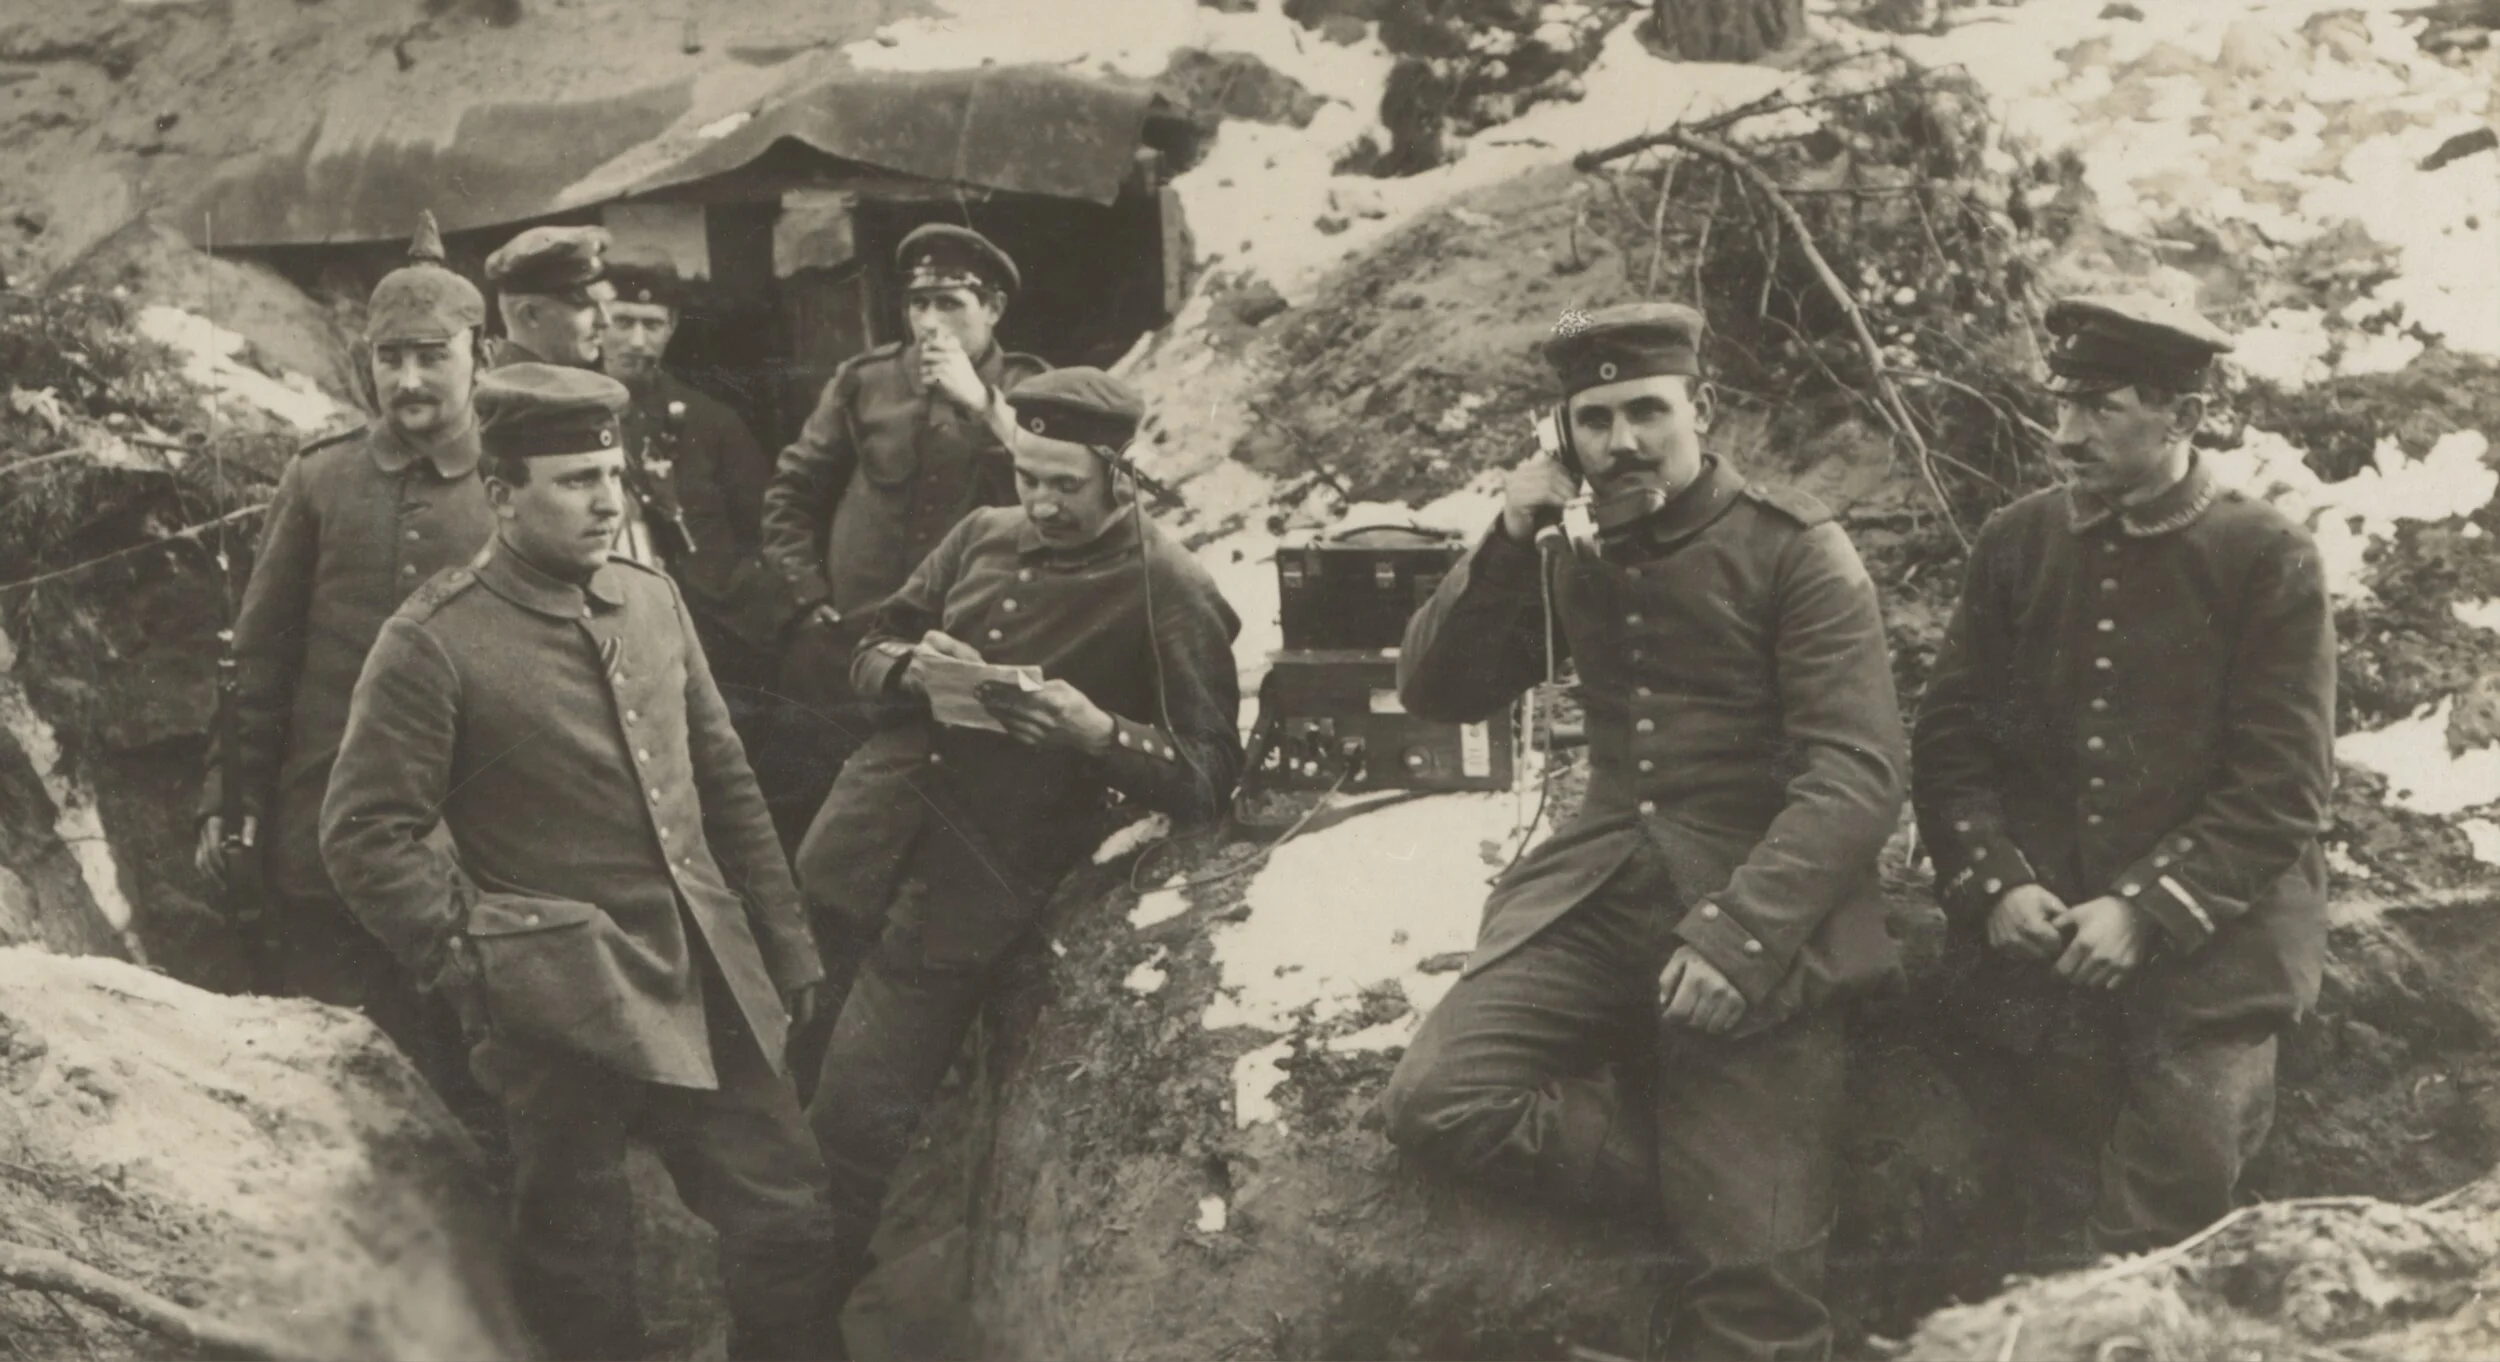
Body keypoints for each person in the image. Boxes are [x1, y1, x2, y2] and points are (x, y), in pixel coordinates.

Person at [1378, 302, 1908, 1360]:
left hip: (1765, 906)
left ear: (1699, 409)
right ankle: (1729, 1189)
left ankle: (1758, 1214)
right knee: (1439, 1099)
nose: (1623, 442)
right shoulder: (1570, 547)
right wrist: (1505, 540)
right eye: (1595, 419)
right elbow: (1436, 690)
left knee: (1756, 1306)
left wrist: (1738, 941)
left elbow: (1857, 774)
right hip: (1602, 884)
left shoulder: (1794, 548)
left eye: (1648, 412)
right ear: (1562, 435)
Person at [319, 364, 846, 1362]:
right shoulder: (432, 640)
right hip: (554, 1006)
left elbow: (726, 785)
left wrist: (784, 944)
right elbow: (365, 832)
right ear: (501, 494)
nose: (607, 500)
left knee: (789, 1225)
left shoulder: (652, 601)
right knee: (581, 1270)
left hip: (704, 978)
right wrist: (478, 962)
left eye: (611, 474)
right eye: (574, 481)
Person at [793, 367, 1242, 1322]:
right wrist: (911, 669)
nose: (1038, 503)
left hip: (964, 898)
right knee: (796, 1095)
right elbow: (871, 649)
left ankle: (806, 1327)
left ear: (1120, 475)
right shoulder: (980, 535)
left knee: (846, 1135)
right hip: (854, 858)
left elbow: (1211, 774)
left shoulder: (1169, 586)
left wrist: (1099, 734)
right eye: (1025, 476)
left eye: (1063, 484)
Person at [1912, 295, 2335, 1267]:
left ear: (2183, 416)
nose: (2066, 435)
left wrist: (2145, 911)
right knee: (2021, 1207)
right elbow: (1950, 741)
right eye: (2062, 405)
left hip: (2212, 958)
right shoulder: (2017, 542)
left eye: (2100, 409)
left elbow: (2281, 786)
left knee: (2166, 1210)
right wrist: (1997, 882)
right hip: (2045, 942)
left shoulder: (2266, 557)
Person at [194, 209, 490, 1098]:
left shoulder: (514, 484)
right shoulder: (320, 478)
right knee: (339, 1077)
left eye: (431, 355)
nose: (408, 379)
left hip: (474, 846)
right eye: (388, 357)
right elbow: (258, 663)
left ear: (480, 355)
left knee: (475, 1074)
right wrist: (230, 799)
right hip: (319, 837)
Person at [758, 223, 1049, 846]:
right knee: (807, 803)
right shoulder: (865, 380)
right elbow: (792, 490)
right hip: (846, 642)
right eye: (919, 304)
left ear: (993, 308)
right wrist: (807, 597)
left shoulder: (1031, 389)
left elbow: (1053, 494)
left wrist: (984, 407)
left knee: (946, 820)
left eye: (950, 303)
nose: (930, 323)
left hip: (965, 648)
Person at [602, 248, 795, 703]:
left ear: (671, 327)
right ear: (598, 322)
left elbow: (765, 528)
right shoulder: (570, 417)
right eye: (623, 321)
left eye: (652, 324)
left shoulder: (712, 423)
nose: (637, 340)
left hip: (709, 633)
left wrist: (730, 596)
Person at [483, 224, 613, 369]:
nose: (605, 320)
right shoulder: (502, 381)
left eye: (603, 304)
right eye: (584, 306)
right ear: (531, 315)